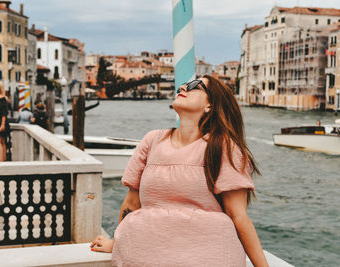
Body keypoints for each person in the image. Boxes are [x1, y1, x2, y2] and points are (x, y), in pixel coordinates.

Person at [90, 75, 269, 267]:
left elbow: (238, 216)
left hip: (208, 256)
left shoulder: (223, 147)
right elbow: (132, 203)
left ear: (210, 105)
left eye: (194, 86)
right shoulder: (151, 141)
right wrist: (116, 243)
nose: (183, 87)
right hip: (145, 254)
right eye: (183, 85)